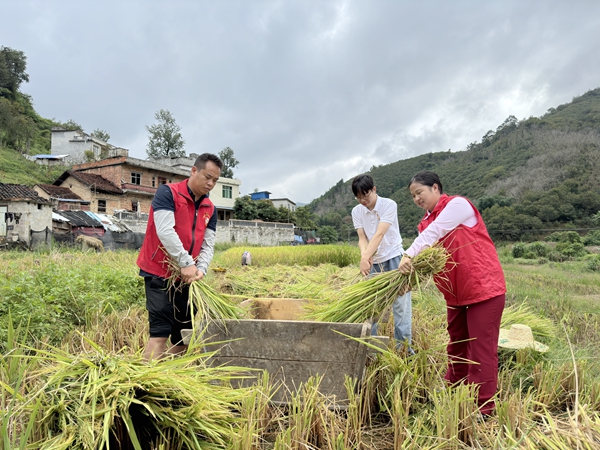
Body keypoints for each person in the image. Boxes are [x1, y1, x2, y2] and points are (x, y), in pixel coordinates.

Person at [399, 171, 506, 415]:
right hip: (455, 294)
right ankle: (454, 390)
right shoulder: (424, 223)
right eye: (413, 196)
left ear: (435, 187)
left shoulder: (457, 205)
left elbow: (435, 232)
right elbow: (426, 262)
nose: (416, 198)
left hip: (483, 289)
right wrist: (407, 281)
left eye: (420, 192)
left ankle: (484, 407)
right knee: (457, 345)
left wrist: (407, 254)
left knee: (481, 350)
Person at [137, 153, 222, 361]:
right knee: (160, 333)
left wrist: (200, 268)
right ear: (194, 171)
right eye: (207, 177)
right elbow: (165, 230)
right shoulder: (168, 193)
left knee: (183, 333)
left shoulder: (210, 208)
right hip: (160, 272)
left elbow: (208, 244)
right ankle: (145, 384)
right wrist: (185, 262)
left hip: (188, 277)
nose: (210, 183)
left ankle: (173, 379)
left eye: (215, 180)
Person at [351, 174, 412, 352]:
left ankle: (405, 351)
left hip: (395, 260)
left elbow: (379, 234)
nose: (363, 200)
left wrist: (364, 258)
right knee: (373, 307)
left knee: (401, 306)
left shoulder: (389, 205)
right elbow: (362, 238)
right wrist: (365, 256)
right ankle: (374, 351)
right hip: (375, 264)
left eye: (366, 195)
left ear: (374, 190)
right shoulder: (357, 211)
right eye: (359, 197)